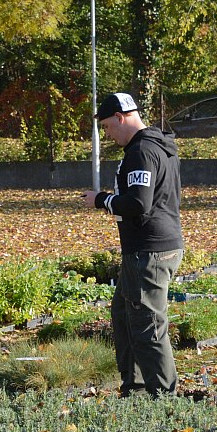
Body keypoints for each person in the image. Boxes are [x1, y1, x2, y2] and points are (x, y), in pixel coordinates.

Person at [82, 92, 185, 396]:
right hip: (146, 248)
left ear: (121, 117)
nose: (108, 134)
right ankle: (135, 390)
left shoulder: (142, 151)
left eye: (107, 126)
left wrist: (102, 200)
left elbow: (139, 203)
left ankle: (163, 398)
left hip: (150, 251)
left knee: (147, 325)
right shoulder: (156, 147)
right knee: (124, 317)